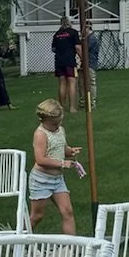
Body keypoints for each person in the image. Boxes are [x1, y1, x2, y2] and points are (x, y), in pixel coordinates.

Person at [28, 98, 83, 235]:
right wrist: (62, 163)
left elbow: (60, 148)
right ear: (44, 120)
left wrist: (70, 151)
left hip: (57, 180)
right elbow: (40, 159)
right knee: (37, 216)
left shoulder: (60, 130)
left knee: (67, 212)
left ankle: (72, 247)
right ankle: (17, 238)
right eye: (54, 124)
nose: (57, 126)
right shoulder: (40, 134)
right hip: (41, 180)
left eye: (59, 122)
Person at [52, 17, 79, 109]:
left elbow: (53, 49)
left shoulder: (57, 34)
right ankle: (72, 107)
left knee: (62, 83)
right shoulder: (73, 32)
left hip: (59, 61)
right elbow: (78, 47)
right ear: (69, 23)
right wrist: (83, 58)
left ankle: (61, 107)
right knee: (72, 82)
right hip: (70, 61)